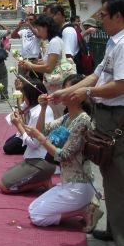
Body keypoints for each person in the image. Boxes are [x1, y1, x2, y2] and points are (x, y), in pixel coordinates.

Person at [49, 0, 124, 246]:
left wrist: (87, 94)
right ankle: (115, 229)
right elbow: (95, 74)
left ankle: (122, 241)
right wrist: (67, 93)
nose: (99, 18)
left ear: (118, 16)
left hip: (117, 114)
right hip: (107, 113)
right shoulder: (115, 44)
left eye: (104, 14)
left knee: (117, 176)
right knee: (109, 170)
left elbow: (120, 84)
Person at [24, 74, 101, 232]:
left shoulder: (83, 120)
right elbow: (42, 130)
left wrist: (42, 139)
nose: (61, 93)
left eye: (66, 90)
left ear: (79, 95)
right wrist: (44, 108)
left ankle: (84, 211)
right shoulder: (67, 117)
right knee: (32, 209)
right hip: (67, 183)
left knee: (38, 216)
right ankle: (83, 208)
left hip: (79, 185)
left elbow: (64, 155)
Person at [0, 80, 55, 193]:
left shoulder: (39, 112)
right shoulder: (39, 108)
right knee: (6, 176)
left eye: (24, 95)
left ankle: (42, 182)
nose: (23, 98)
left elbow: (34, 143)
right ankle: (42, 178)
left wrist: (19, 125)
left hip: (41, 160)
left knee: (4, 186)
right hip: (36, 157)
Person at [18, 14, 64, 116]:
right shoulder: (53, 41)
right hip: (53, 84)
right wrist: (31, 63)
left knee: (56, 114)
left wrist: (31, 66)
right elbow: (48, 62)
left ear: (45, 27)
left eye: (38, 29)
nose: (38, 32)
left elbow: (49, 67)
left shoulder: (54, 42)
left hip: (56, 85)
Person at [11, 13, 41, 78]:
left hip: (34, 59)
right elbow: (13, 36)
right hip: (23, 59)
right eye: (27, 19)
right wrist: (18, 27)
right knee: (21, 79)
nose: (28, 21)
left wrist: (29, 25)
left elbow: (38, 35)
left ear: (35, 20)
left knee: (34, 79)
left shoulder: (39, 30)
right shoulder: (24, 31)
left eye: (31, 19)